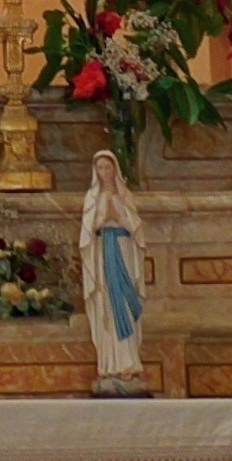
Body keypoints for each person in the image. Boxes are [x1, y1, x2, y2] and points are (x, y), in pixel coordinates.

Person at [78, 149, 149, 395]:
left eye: (108, 167)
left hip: (123, 249)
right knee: (106, 304)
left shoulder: (125, 195)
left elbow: (136, 229)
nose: (104, 172)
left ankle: (129, 361)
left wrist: (117, 213)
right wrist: (102, 215)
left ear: (115, 169)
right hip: (103, 253)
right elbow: (88, 232)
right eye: (100, 168)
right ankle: (109, 363)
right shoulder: (92, 196)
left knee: (126, 305)